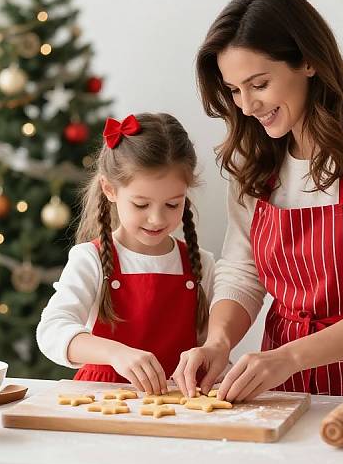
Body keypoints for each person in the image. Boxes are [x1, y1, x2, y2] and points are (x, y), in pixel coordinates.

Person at [172, 0, 343, 402]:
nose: (247, 106)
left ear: (308, 61)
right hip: (283, 385)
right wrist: (218, 342)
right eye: (235, 90)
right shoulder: (254, 161)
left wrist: (289, 358)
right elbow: (243, 274)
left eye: (259, 84)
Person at [37, 113, 215, 396]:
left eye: (172, 204)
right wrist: (115, 353)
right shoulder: (89, 259)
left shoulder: (201, 263)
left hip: (179, 403)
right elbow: (52, 332)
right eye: (141, 204)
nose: (157, 219)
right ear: (110, 190)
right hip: (102, 399)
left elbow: (210, 344)